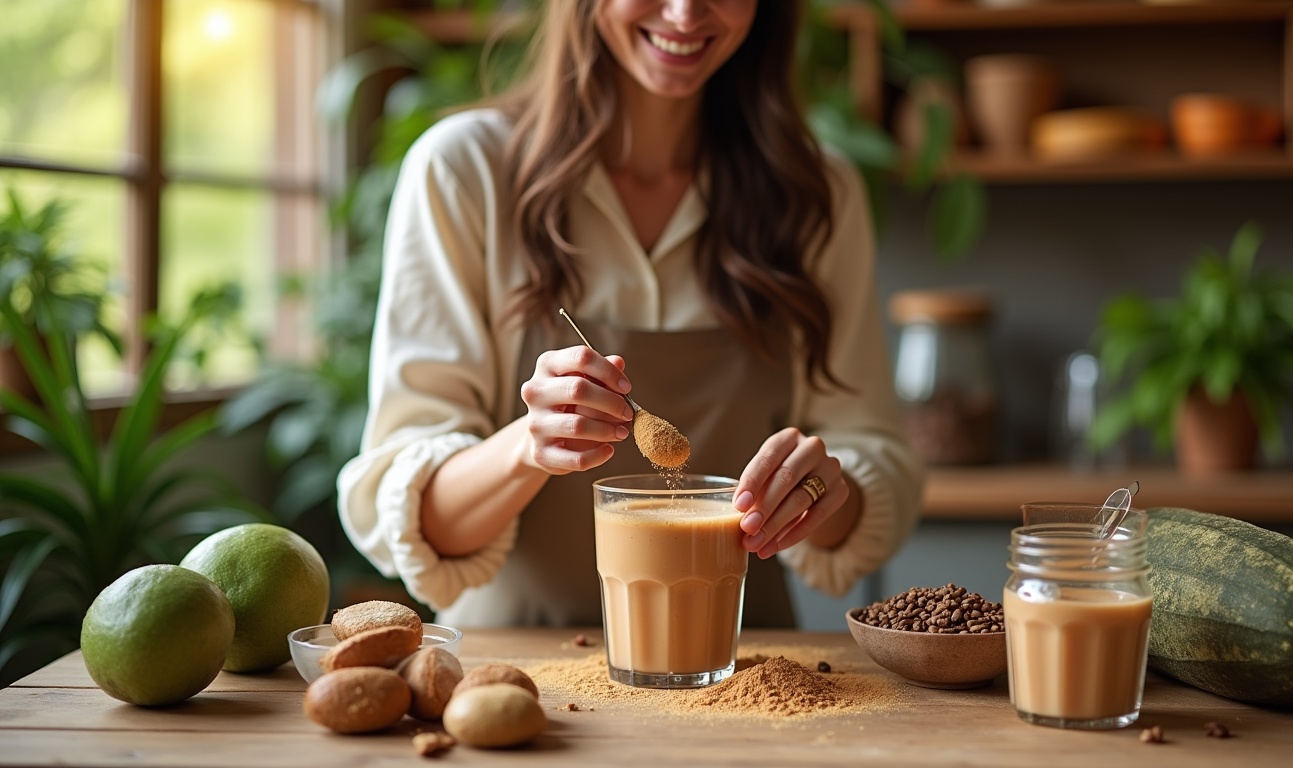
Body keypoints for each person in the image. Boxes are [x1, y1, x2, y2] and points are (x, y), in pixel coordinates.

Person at [338, 0, 924, 628]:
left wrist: (818, 494)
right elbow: (416, 519)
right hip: (517, 669)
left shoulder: (816, 194)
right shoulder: (466, 170)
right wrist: (528, 446)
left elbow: (872, 461)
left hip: (742, 666)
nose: (685, 13)